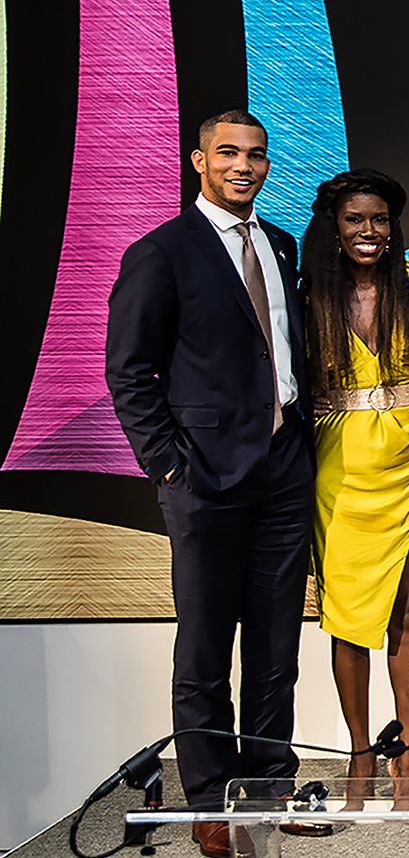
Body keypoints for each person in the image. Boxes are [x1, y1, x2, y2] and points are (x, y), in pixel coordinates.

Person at [104, 110, 313, 857]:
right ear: (199, 160)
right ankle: (208, 798)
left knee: (276, 644)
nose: (243, 165)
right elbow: (129, 372)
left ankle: (269, 782)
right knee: (203, 648)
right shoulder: (160, 253)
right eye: (228, 152)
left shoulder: (279, 243)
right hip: (202, 477)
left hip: (286, 471)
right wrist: (165, 462)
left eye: (255, 154)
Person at [300, 167, 409, 809]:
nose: (369, 231)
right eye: (356, 219)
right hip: (341, 472)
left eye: (380, 220)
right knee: (349, 621)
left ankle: (407, 758)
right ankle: (360, 754)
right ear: (335, 226)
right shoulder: (310, 297)